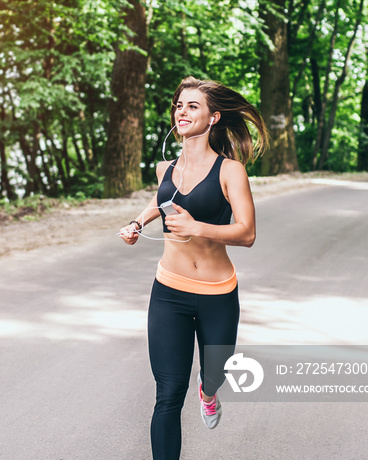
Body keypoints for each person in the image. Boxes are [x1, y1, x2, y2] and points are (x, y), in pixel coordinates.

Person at [118, 76, 268, 459]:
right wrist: (138, 222)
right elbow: (161, 200)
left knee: (214, 374)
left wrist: (196, 226)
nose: (182, 112)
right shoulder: (165, 167)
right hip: (169, 291)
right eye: (179, 106)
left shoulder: (230, 171)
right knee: (167, 394)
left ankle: (210, 391)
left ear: (214, 117)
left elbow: (247, 233)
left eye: (193, 106)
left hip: (217, 293)